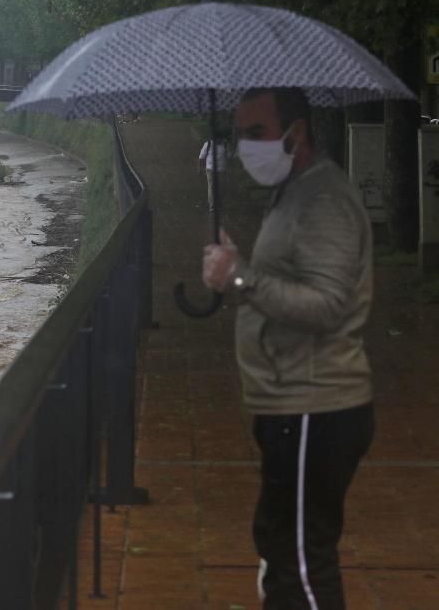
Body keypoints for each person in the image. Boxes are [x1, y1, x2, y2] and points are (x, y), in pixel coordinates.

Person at [201, 87, 374, 609]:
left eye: (257, 133)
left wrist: (239, 279)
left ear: (296, 133)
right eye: (240, 135)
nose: (247, 146)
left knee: (301, 566)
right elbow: (287, 287)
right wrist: (239, 270)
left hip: (315, 408)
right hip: (290, 407)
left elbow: (327, 305)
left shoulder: (323, 200)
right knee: (281, 552)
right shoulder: (295, 193)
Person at [197, 135, 228, 213]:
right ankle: (213, 205)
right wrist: (199, 168)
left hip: (220, 170)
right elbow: (201, 157)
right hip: (211, 169)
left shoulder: (224, 144)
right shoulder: (208, 144)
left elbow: (230, 155)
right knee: (213, 187)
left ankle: (215, 204)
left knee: (217, 187)